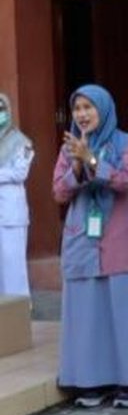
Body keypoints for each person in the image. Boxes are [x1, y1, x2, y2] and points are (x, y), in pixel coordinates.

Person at [53, 84, 128, 408]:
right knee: (88, 312)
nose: (82, 114)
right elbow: (58, 193)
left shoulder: (126, 142)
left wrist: (93, 159)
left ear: (104, 108)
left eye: (89, 107)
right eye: (77, 108)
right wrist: (75, 165)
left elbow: (126, 180)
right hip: (81, 235)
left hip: (118, 235)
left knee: (121, 309)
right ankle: (92, 381)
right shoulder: (67, 149)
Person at [0, 92, 33, 297]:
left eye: (1, 109)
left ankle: (19, 312)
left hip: (11, 215)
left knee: (13, 268)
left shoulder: (21, 142)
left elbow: (20, 172)